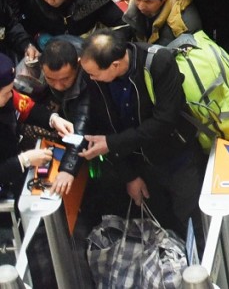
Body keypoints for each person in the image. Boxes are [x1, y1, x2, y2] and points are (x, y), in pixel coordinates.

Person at [76, 32, 205, 236]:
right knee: (159, 226)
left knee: (191, 222)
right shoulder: (94, 78)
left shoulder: (158, 62)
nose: (90, 78)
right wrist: (130, 175)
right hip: (142, 166)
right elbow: (106, 126)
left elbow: (164, 121)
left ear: (115, 65)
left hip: (177, 158)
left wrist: (113, 143)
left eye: (94, 74)